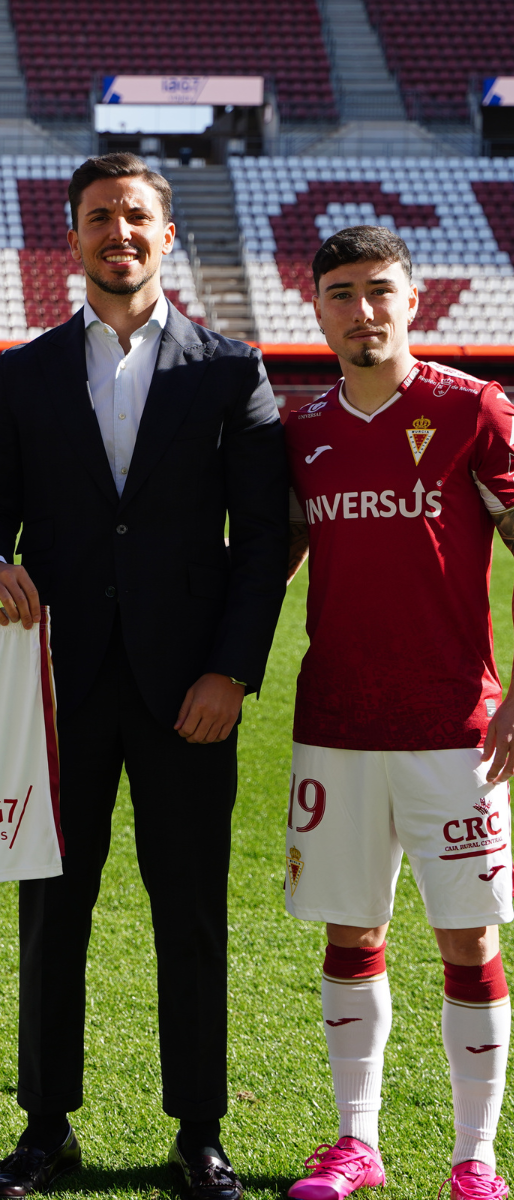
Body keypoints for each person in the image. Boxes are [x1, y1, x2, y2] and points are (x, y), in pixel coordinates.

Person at [0, 152, 290, 1199]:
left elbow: (262, 541)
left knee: (189, 913)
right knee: (51, 909)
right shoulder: (23, 372)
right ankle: (44, 1123)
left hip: (189, 691)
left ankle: (198, 1131)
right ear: (72, 237)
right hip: (56, 687)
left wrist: (231, 674)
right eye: (99, 216)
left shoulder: (230, 370)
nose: (119, 233)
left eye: (136, 216)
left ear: (165, 233)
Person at [282, 226, 514, 1200]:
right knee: (348, 932)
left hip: (454, 730)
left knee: (469, 939)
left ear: (413, 299)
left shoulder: (472, 410)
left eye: (378, 290)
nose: (361, 310)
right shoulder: (299, 430)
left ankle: (474, 1158)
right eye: (340, 293)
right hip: (334, 725)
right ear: (316, 310)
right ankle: (356, 1144)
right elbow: (265, 568)